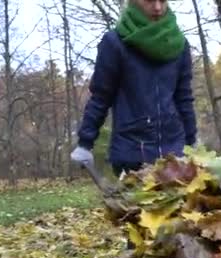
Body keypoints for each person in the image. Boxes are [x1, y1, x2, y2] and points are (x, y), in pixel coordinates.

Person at [70, 0, 197, 177]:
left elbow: (184, 98)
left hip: (175, 156)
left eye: (162, 0)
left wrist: (192, 142)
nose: (158, 7)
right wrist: (85, 143)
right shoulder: (115, 43)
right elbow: (101, 97)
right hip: (131, 156)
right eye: (149, 0)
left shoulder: (180, 45)